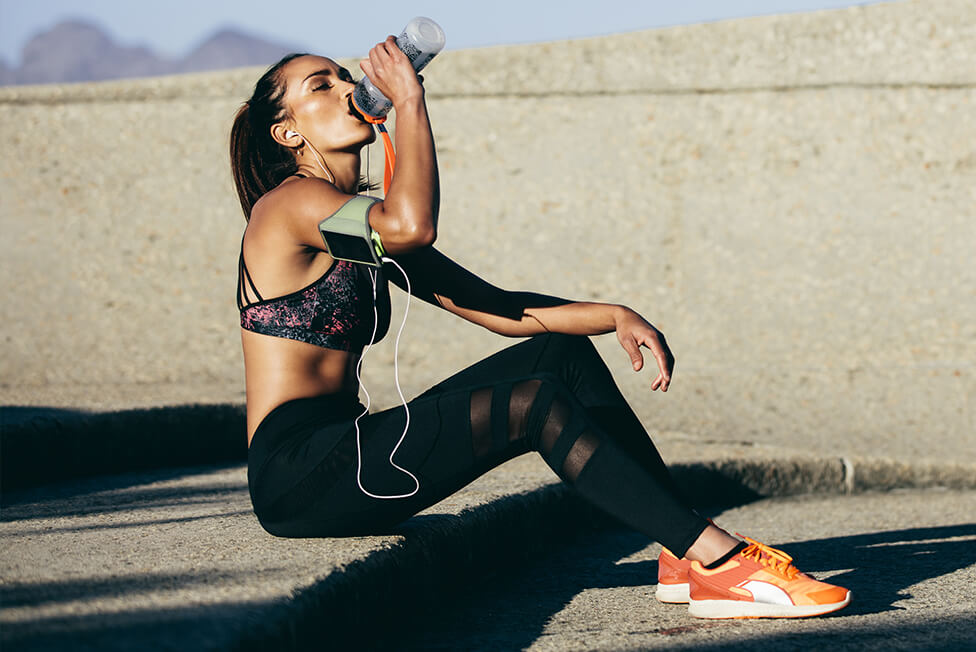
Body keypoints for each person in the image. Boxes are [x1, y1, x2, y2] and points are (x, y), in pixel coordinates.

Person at [228, 38, 851, 620]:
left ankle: (682, 548)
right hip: (300, 474)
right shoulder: (288, 204)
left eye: (343, 75)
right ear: (287, 131)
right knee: (532, 404)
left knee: (559, 355)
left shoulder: (353, 225)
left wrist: (611, 314)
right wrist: (412, 101)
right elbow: (413, 225)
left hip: (344, 447)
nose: (347, 87)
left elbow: (499, 309)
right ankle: (720, 559)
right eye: (321, 85)